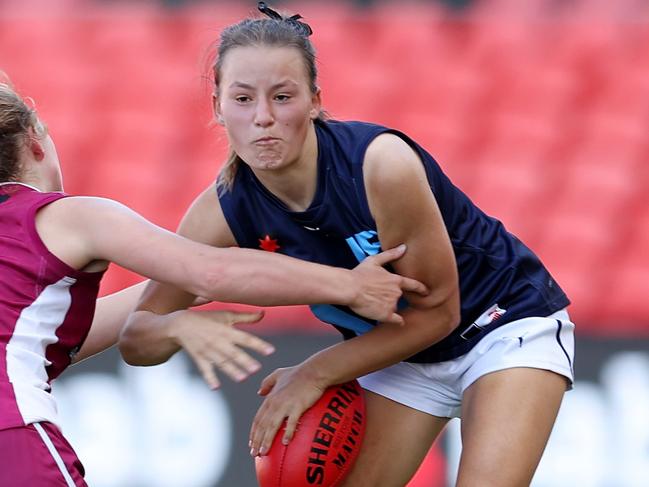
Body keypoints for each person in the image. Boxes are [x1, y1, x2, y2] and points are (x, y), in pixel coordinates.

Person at [121, 3, 575, 486]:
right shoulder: (222, 210)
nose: (263, 118)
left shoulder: (380, 165)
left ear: (315, 100)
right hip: (399, 354)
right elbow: (136, 338)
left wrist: (315, 372)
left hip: (499, 322)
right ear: (217, 107)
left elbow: (438, 313)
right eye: (242, 99)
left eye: (282, 96)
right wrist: (179, 328)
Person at [0, 76, 425, 487]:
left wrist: (186, 294)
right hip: (12, 436)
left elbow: (40, 338)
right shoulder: (64, 216)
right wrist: (349, 285)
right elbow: (209, 269)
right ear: (37, 141)